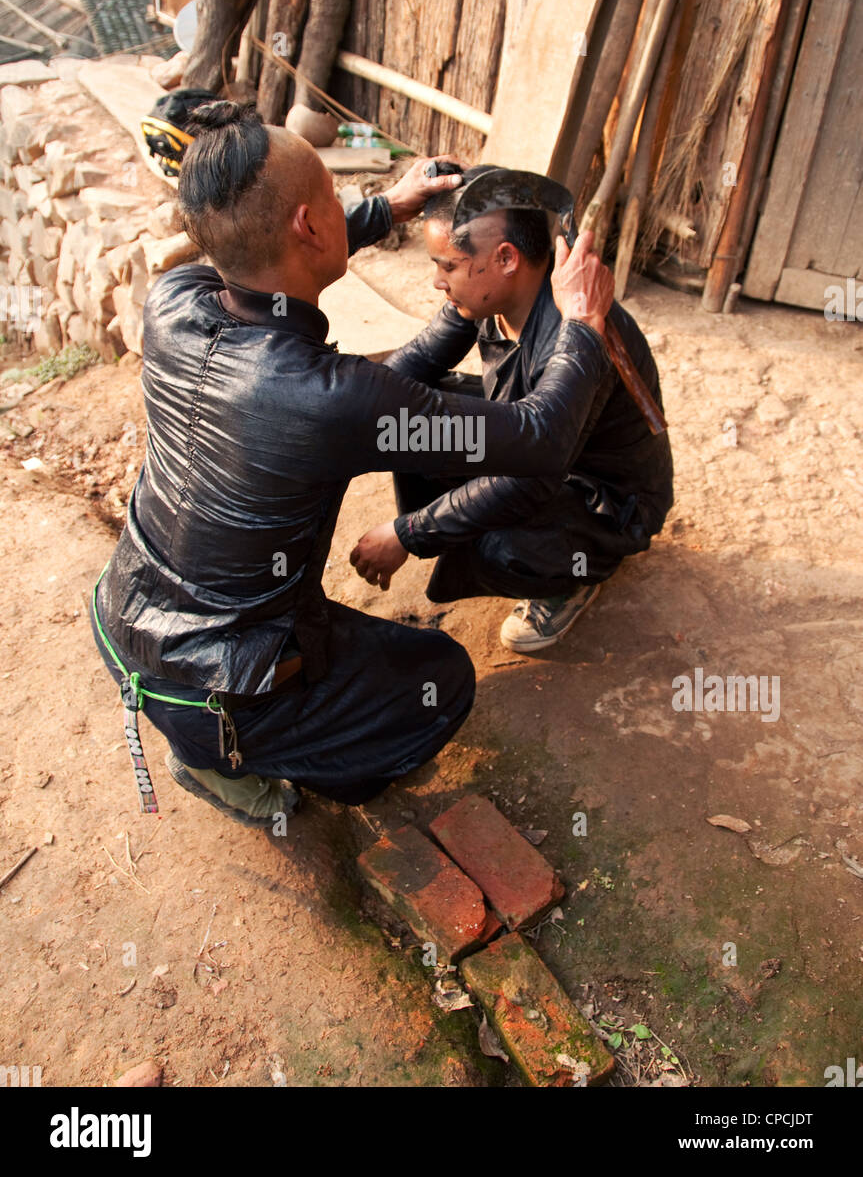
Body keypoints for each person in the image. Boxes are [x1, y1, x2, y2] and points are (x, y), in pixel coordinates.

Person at [91, 108, 616, 827]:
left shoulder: (174, 302)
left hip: (128, 621)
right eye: (338, 202)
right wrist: (583, 325)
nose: (351, 210)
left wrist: (384, 209)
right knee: (441, 682)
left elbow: (265, 261)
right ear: (308, 226)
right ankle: (240, 760)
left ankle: (219, 734)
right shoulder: (325, 395)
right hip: (223, 685)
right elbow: (540, 438)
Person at [350, 163, 673, 655]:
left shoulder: (581, 331)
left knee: (501, 546)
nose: (438, 282)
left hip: (602, 497)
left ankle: (573, 577)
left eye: (449, 265)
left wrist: (409, 533)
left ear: (506, 258)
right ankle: (461, 532)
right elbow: (404, 377)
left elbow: (532, 473)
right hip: (538, 448)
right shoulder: (490, 300)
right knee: (414, 417)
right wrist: (345, 415)